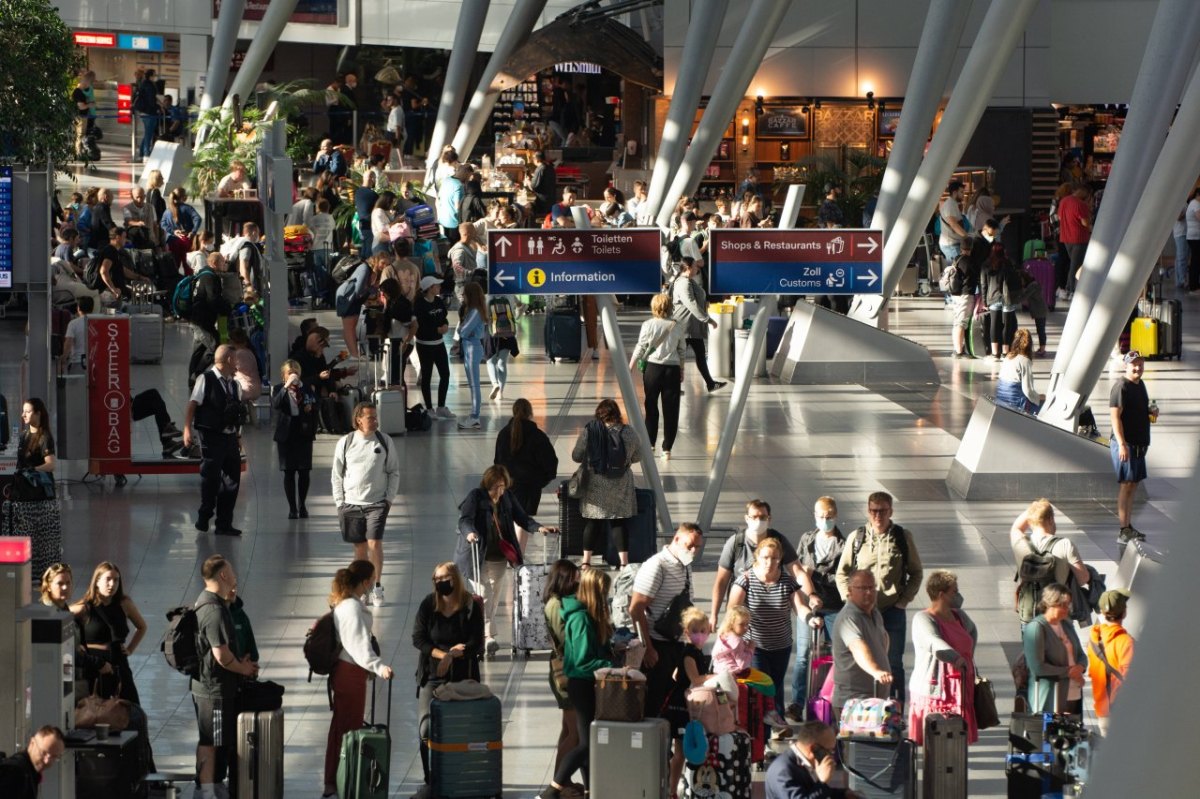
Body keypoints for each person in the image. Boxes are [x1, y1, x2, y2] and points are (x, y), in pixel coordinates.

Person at [456, 464, 557, 656]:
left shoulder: (507, 498)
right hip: (476, 556)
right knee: (484, 594)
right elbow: (464, 520)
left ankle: (485, 635)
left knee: (492, 598)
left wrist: (539, 528)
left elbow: (522, 518)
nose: (499, 491)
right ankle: (488, 637)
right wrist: (470, 533)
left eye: (502, 486)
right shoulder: (475, 496)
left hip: (498, 556)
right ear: (488, 484)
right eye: (495, 486)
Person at [834, 491, 922, 700]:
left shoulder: (902, 537)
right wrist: (849, 599)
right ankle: (867, 704)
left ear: (891, 511)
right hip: (862, 613)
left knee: (893, 662)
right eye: (873, 511)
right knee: (862, 659)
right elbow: (842, 573)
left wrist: (903, 601)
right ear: (868, 510)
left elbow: (916, 572)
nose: (878, 515)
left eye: (882, 511)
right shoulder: (858, 538)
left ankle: (895, 708)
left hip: (891, 610)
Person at [536, 568, 615, 799]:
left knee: (587, 741)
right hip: (581, 685)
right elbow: (581, 663)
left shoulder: (586, 615)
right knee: (585, 742)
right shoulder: (581, 618)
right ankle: (553, 789)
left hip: (585, 684)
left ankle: (591, 789)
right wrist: (609, 662)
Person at [729, 537, 821, 730]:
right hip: (754, 647)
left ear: (780, 559)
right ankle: (760, 735)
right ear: (757, 557)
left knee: (775, 688)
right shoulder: (745, 580)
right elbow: (732, 612)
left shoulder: (787, 581)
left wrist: (810, 619)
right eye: (765, 557)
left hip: (781, 645)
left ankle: (772, 733)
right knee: (764, 688)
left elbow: (800, 608)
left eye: (774, 558)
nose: (769, 562)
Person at [322, 560, 395, 798]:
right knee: (348, 728)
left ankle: (336, 780)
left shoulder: (345, 604)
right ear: (364, 582)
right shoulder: (351, 608)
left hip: (345, 672)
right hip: (350, 673)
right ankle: (340, 781)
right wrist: (379, 667)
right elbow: (358, 646)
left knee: (341, 727)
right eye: (372, 579)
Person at [412, 562, 485, 794]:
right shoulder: (428, 604)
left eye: (443, 578)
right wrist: (443, 655)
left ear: (454, 579)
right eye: (436, 579)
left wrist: (455, 655)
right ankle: (429, 776)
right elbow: (419, 638)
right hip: (432, 675)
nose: (439, 583)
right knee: (426, 729)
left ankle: (457, 773)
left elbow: (476, 643)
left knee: (460, 728)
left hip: (463, 677)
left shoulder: (471, 606)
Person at [192, 555, 258, 799]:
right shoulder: (214, 611)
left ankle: (211, 783)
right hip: (213, 689)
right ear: (222, 575)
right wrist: (244, 669)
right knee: (211, 740)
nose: (235, 576)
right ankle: (207, 788)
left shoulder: (207, 602)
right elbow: (222, 655)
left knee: (215, 737)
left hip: (210, 687)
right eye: (231, 571)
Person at [629, 523, 704, 720]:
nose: (693, 551)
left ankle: (667, 746)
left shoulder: (684, 565)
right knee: (653, 701)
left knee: (672, 702)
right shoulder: (657, 565)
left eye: (697, 547)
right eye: (690, 546)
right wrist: (647, 647)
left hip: (677, 642)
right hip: (658, 644)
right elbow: (636, 608)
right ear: (676, 539)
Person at [332, 402, 400, 607]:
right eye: (370, 417)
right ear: (358, 419)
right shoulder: (346, 442)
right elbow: (337, 474)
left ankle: (377, 586)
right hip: (351, 504)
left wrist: (388, 499)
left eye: (375, 417)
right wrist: (339, 502)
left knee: (374, 544)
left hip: (377, 503)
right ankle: (360, 588)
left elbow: (393, 472)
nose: (375, 421)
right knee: (360, 549)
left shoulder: (384, 441)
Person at [787, 496, 847, 722]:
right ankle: (797, 702)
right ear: (814, 516)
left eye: (829, 516)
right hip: (809, 604)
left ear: (836, 515)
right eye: (821, 516)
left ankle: (828, 700)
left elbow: (846, 573)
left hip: (833, 604)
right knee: (803, 654)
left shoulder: (844, 542)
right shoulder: (807, 538)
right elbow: (799, 568)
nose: (825, 520)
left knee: (834, 655)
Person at [907, 570, 978, 745]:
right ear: (941, 594)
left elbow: (972, 633)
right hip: (936, 689)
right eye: (954, 591)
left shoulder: (960, 616)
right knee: (937, 741)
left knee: (956, 740)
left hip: (959, 686)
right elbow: (933, 642)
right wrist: (956, 658)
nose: (958, 595)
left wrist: (968, 659)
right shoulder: (923, 618)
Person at [183, 345, 246, 536]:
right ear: (228, 360)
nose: (238, 364)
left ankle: (224, 523)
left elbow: (236, 413)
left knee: (232, 479)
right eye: (236, 359)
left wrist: (237, 435)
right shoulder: (206, 379)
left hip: (229, 437)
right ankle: (205, 513)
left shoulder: (235, 384)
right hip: (211, 435)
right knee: (210, 477)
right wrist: (187, 429)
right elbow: (193, 404)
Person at [711, 498, 807, 624]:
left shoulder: (779, 541)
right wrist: (714, 615)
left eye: (762, 517)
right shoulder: (736, 543)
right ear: (746, 518)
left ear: (769, 518)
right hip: (741, 617)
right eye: (754, 517)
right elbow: (721, 581)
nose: (758, 521)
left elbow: (798, 572)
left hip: (772, 613)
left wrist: (811, 595)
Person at [571, 399, 641, 568]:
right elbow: (637, 457)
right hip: (621, 483)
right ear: (617, 414)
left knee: (593, 522)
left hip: (595, 482)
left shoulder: (591, 430)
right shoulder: (628, 432)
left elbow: (576, 456)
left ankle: (586, 561)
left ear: (599, 413)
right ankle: (624, 563)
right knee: (618, 522)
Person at [69, 561, 148, 705]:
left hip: (119, 662)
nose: (112, 584)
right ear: (97, 581)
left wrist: (130, 649)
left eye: (116, 580)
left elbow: (142, 627)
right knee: (97, 709)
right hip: (95, 664)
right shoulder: (85, 607)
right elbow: (62, 617)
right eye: (108, 579)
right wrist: (77, 645)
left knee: (130, 707)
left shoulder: (124, 603)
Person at [494, 399, 559, 550]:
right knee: (522, 520)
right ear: (530, 413)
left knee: (510, 518)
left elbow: (497, 460)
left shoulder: (503, 434)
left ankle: (511, 552)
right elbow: (550, 462)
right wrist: (541, 481)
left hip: (507, 484)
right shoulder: (537, 435)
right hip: (530, 486)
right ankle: (518, 555)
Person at [629, 293, 687, 461]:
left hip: (652, 369)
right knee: (671, 409)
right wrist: (681, 369)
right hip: (672, 370)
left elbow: (641, 346)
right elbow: (682, 350)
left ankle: (650, 444)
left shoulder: (648, 324)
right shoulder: (677, 325)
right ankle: (667, 448)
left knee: (651, 406)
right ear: (670, 307)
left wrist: (630, 366)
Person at [1009, 499, 1090, 615]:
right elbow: (1083, 579)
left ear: (1031, 520)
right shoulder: (1065, 544)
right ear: (1051, 519)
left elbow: (1016, 527)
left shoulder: (1020, 542)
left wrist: (1035, 509)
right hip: (1056, 614)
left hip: (1029, 611)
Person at [665, 607, 714, 793]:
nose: (699, 635)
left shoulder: (697, 652)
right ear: (687, 632)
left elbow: (677, 675)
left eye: (702, 631)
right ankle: (672, 789)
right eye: (695, 631)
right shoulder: (689, 653)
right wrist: (714, 676)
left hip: (690, 703)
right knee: (681, 751)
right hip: (681, 706)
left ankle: (679, 784)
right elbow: (695, 678)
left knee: (687, 749)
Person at [831, 570, 892, 719]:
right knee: (857, 742)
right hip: (854, 702)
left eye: (872, 587)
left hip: (875, 698)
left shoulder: (875, 613)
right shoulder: (848, 617)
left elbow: (883, 639)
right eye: (863, 588)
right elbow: (858, 647)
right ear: (850, 591)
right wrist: (876, 670)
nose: (869, 592)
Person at [543, 560, 582, 784]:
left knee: (568, 730)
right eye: (573, 578)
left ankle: (560, 780)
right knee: (575, 733)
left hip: (563, 668)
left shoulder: (557, 602)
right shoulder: (556, 605)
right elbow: (566, 640)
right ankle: (559, 782)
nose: (576, 582)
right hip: (565, 671)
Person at [1110, 351, 1154, 545]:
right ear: (1126, 366)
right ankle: (1123, 529)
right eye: (1134, 364)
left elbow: (1139, 410)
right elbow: (1115, 417)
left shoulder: (1140, 384)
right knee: (1126, 485)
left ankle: (1128, 526)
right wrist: (1121, 444)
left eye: (1140, 364)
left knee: (1133, 484)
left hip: (1138, 444)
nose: (1137, 368)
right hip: (1126, 445)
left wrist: (1151, 411)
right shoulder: (1121, 387)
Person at [1022, 583, 1085, 714]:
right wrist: (1069, 672)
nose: (1067, 609)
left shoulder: (1066, 624)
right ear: (1051, 603)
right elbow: (1037, 667)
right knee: (1049, 731)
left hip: (1073, 692)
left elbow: (1080, 654)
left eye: (1068, 604)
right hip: (1049, 696)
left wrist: (1080, 667)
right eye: (1063, 605)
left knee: (1071, 732)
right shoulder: (1036, 628)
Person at [765, 720, 861, 799]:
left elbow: (810, 791)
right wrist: (823, 782)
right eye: (829, 751)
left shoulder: (800, 761)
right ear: (814, 748)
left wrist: (844, 794)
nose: (831, 756)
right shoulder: (783, 771)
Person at [671, 257, 726, 393]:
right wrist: (708, 319)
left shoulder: (688, 281)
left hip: (691, 328)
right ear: (688, 268)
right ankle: (673, 387)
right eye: (695, 266)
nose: (698, 268)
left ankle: (710, 383)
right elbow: (691, 303)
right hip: (685, 327)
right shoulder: (683, 283)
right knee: (679, 357)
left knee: (700, 354)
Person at [273, 359, 318, 519]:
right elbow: (276, 404)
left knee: (304, 471)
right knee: (289, 472)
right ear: (284, 376)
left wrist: (310, 411)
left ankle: (302, 504)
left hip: (303, 434)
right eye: (290, 373)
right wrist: (286, 387)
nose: (294, 376)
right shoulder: (279, 389)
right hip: (286, 436)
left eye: (296, 373)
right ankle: (292, 508)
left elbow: (315, 407)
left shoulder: (306, 389)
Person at [1087, 589, 1135, 735]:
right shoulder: (1125, 641)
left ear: (1102, 612)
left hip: (1102, 709)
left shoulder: (1094, 638)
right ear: (1124, 612)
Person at [415, 274, 455, 420]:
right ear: (430, 288)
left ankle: (441, 406)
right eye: (436, 285)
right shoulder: (419, 304)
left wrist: (445, 325)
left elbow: (443, 316)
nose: (439, 287)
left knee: (445, 374)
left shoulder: (438, 301)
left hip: (439, 344)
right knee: (427, 376)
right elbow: (419, 326)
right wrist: (435, 330)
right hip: (425, 345)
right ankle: (429, 408)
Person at [980, 242, 1021, 360]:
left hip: (993, 297)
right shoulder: (1009, 263)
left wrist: (984, 301)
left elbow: (983, 285)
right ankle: (1005, 352)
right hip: (1008, 298)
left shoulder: (986, 265)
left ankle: (994, 353)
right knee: (1007, 325)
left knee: (994, 324)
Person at [0, 725, 66, 798]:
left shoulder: (29, 772)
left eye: (54, 756)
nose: (47, 761)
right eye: (43, 753)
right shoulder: (16, 772)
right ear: (32, 743)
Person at [455, 281, 487, 429]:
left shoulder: (475, 312)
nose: (463, 296)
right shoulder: (472, 310)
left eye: (465, 293)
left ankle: (475, 416)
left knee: (474, 384)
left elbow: (463, 331)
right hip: (469, 347)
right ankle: (474, 416)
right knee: (472, 383)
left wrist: (461, 329)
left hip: (473, 348)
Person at [995, 328, 1044, 414]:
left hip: (1001, 399)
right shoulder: (1025, 361)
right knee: (1044, 403)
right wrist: (1039, 398)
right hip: (1015, 403)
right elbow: (1027, 391)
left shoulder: (1008, 357)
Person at [1058, 183, 1092, 297]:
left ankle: (1069, 287)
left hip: (1066, 238)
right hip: (1079, 238)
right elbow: (1085, 222)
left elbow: (1059, 217)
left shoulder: (1063, 201)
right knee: (1076, 265)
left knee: (1072, 263)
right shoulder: (1081, 204)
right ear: (1082, 191)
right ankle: (1071, 289)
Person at [485, 292, 519, 401]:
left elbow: (483, 316)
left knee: (490, 361)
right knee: (502, 363)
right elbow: (521, 307)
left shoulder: (487, 296)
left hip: (491, 332)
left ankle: (495, 384)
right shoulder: (510, 295)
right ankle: (501, 393)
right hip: (508, 333)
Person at [711, 604, 755, 674]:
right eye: (741, 624)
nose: (745, 627)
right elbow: (743, 665)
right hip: (733, 675)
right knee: (765, 681)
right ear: (731, 623)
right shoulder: (737, 641)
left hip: (718, 672)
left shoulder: (724, 634)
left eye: (747, 624)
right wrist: (750, 649)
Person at [938, 180, 969, 263]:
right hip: (951, 244)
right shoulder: (950, 204)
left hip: (951, 243)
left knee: (955, 270)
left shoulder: (952, 204)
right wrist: (967, 236)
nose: (963, 195)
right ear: (955, 192)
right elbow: (953, 224)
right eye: (961, 192)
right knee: (956, 271)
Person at [134, 68, 160, 159]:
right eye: (154, 75)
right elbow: (151, 100)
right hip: (149, 112)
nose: (155, 77)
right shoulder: (149, 86)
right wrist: (157, 108)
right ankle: (146, 153)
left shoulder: (144, 84)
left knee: (147, 133)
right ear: (151, 76)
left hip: (144, 112)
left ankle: (142, 152)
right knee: (149, 133)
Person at [437, 164, 466, 241]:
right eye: (469, 176)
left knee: (447, 243)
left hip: (444, 219)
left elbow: (439, 198)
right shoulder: (459, 185)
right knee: (455, 244)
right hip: (454, 222)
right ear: (465, 173)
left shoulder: (446, 180)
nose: (468, 179)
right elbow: (457, 206)